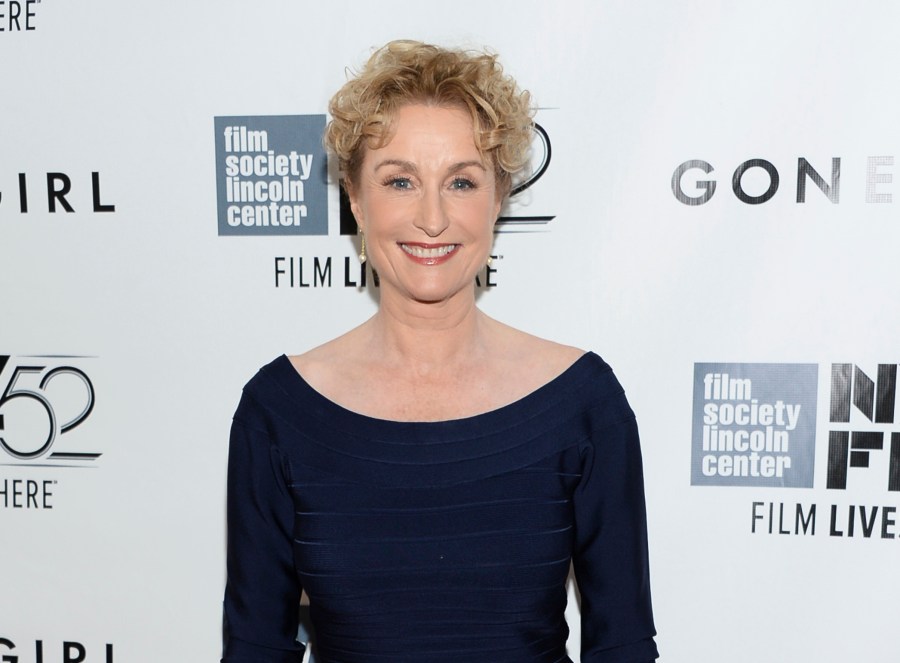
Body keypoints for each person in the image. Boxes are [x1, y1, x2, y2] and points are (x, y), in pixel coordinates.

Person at [222, 40, 658, 662]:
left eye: (461, 181)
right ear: (354, 198)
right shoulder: (280, 411)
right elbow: (255, 647)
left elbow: (624, 647)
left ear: (498, 198)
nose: (432, 218)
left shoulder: (582, 402)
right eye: (399, 180)